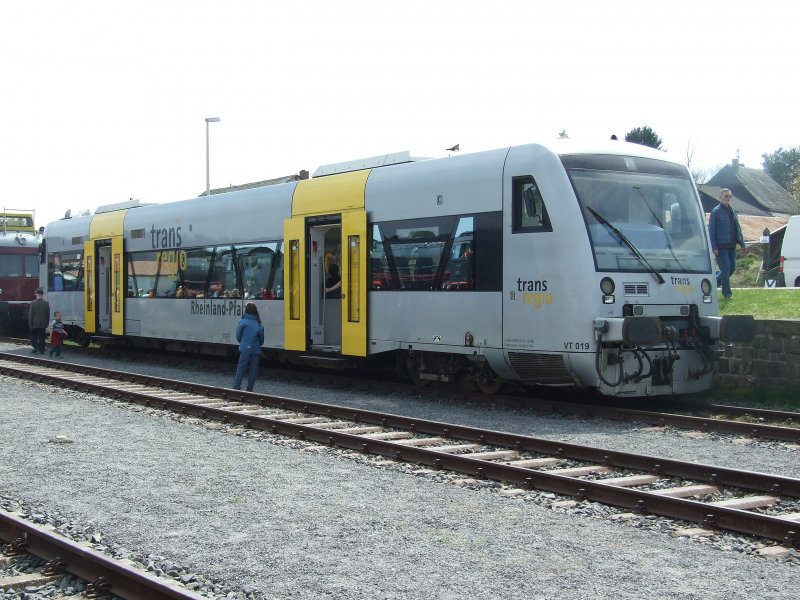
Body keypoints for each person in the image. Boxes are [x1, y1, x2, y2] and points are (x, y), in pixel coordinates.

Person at [708, 188, 745, 299]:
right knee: (725, 268)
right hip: (721, 246)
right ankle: (727, 294)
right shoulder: (716, 211)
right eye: (726, 196)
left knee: (732, 268)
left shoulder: (732, 211)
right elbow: (712, 231)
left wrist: (742, 243)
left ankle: (712, 285)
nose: (728, 198)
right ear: (720, 197)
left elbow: (737, 228)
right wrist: (714, 246)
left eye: (729, 196)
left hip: (731, 245)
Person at [232, 302, 265, 392]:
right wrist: (258, 344)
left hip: (244, 349)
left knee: (241, 368)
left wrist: (242, 343)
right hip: (255, 350)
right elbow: (261, 339)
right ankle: (249, 389)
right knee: (253, 370)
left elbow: (238, 335)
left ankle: (236, 386)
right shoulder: (259, 324)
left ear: (246, 310)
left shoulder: (242, 321)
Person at [28, 288, 50, 354]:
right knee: (42, 337)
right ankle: (42, 350)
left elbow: (30, 315)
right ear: (42, 294)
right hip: (43, 323)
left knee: (32, 335)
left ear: (36, 294)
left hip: (34, 323)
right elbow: (48, 314)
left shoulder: (33, 303)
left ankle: (36, 346)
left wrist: (30, 323)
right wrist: (47, 323)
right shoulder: (46, 303)